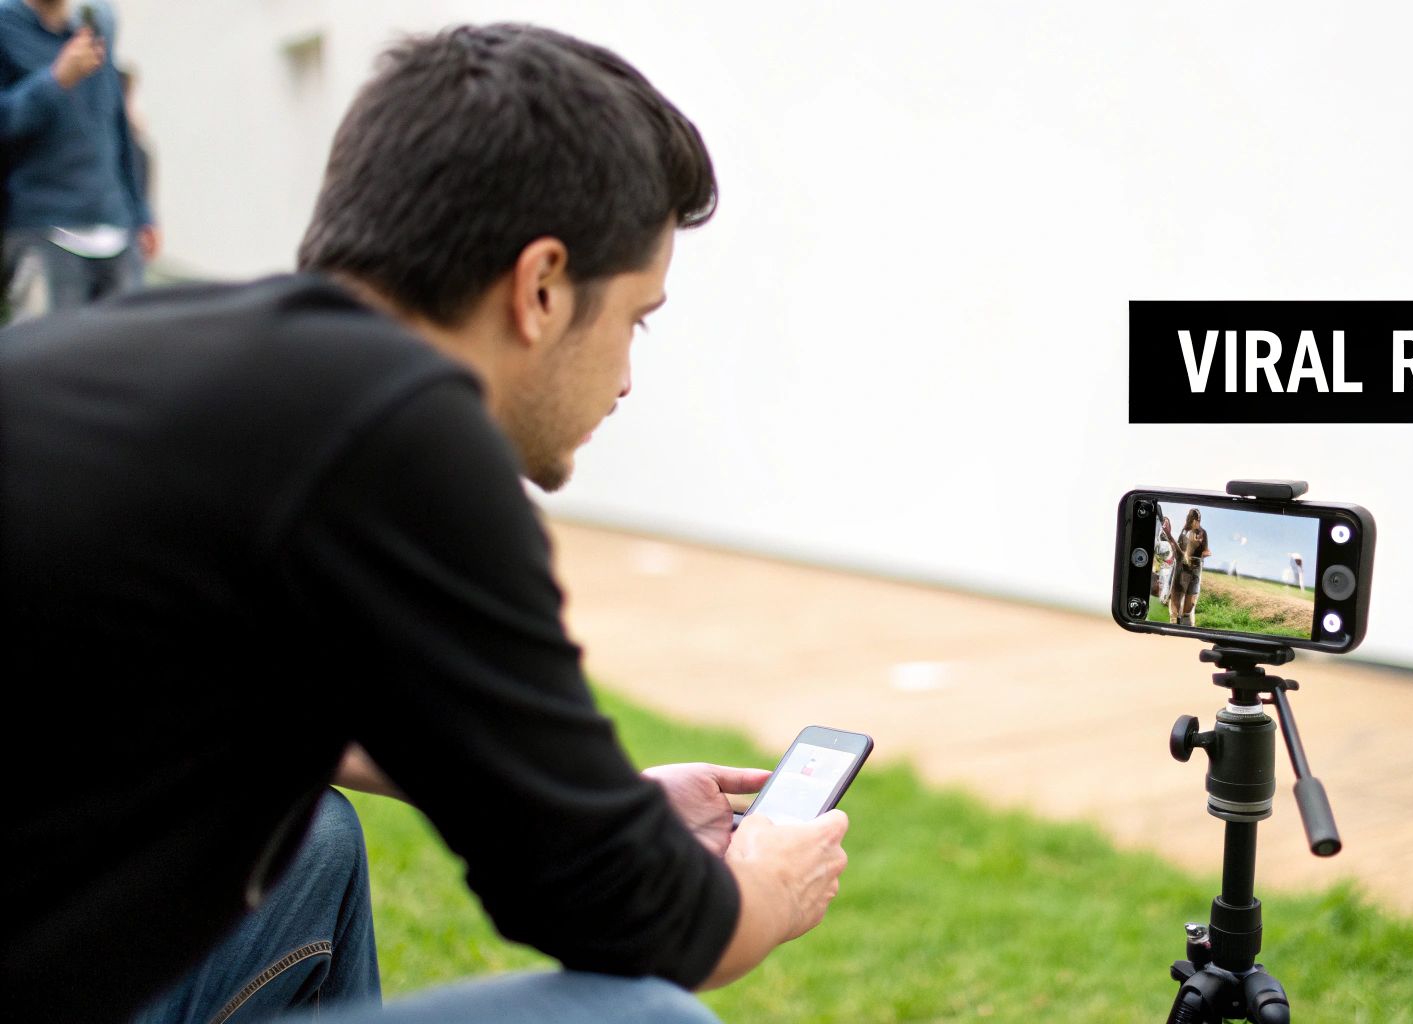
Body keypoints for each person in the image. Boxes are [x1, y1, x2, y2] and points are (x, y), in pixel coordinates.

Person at [0, 22, 848, 1024]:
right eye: (634, 318)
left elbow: (257, 703)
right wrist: (764, 882)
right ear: (538, 288)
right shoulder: (402, 434)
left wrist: (603, 799)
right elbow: (637, 918)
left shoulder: (147, 351)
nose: (625, 378)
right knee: (645, 1020)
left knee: (311, 836)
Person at [0, 0, 157, 324]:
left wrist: (140, 211)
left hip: (116, 230)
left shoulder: (99, 19)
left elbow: (115, 121)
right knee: (44, 365)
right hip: (41, 231)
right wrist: (56, 79)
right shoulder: (6, 25)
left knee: (126, 362)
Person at [1161, 510, 1211, 626]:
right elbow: (1180, 554)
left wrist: (1200, 553)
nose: (1196, 520)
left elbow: (1205, 551)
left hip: (1195, 571)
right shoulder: (1184, 533)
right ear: (1190, 518)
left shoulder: (1202, 532)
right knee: (1175, 612)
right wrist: (1169, 537)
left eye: (1198, 518)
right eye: (1194, 517)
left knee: (1188, 611)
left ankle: (1185, 630)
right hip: (1182, 569)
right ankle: (1175, 628)